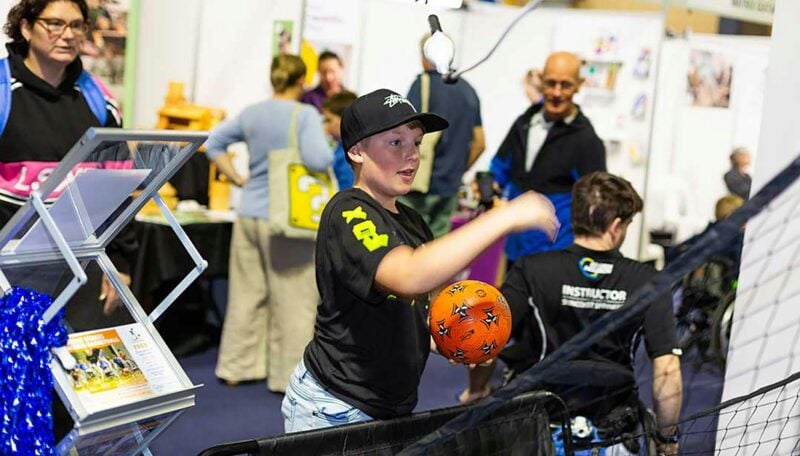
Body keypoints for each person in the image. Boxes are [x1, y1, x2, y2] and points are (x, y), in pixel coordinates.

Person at [281, 88, 558, 433]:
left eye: (416, 143)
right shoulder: (348, 210)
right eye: (395, 143)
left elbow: (416, 314)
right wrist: (504, 217)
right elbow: (409, 276)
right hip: (336, 405)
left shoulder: (413, 222)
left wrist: (456, 339)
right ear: (356, 151)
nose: (412, 155)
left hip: (390, 403)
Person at [464, 172, 682, 454]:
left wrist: (477, 390)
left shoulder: (531, 269)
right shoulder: (649, 281)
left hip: (535, 427)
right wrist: (666, 437)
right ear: (616, 226)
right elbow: (667, 371)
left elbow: (486, 343)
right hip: (611, 431)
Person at [0, 0, 135, 327]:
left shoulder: (97, 99)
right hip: (9, 269)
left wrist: (119, 261)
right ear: (26, 28)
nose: (68, 35)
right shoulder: (5, 92)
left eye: (77, 25)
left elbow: (117, 188)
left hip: (78, 268)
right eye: (55, 24)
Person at [207, 54, 332, 392]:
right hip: (288, 218)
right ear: (302, 81)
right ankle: (285, 377)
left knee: (246, 295)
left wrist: (237, 178)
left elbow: (213, 143)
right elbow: (319, 159)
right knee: (293, 299)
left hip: (248, 214)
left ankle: (236, 367)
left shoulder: (251, 113)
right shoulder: (305, 115)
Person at [490, 51, 606, 264]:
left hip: (555, 254)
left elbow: (596, 203)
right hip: (515, 247)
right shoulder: (524, 123)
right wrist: (488, 184)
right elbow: (498, 169)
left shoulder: (586, 139)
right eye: (551, 83)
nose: (556, 92)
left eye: (566, 85)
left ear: (579, 85)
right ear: (541, 81)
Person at [400, 35, 485, 238]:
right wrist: (456, 170)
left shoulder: (422, 84)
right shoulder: (468, 90)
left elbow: (403, 132)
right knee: (436, 253)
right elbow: (480, 143)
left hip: (418, 186)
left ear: (424, 55)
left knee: (405, 247)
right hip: (449, 188)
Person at [321, 90, 357, 190]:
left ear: (344, 119)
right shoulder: (341, 147)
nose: (325, 126)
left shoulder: (349, 154)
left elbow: (346, 189)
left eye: (329, 120)